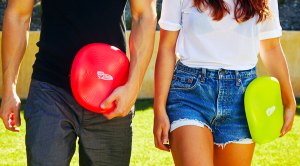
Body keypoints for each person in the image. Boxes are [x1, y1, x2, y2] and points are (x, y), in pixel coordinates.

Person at [0, 0, 156, 165]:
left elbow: (144, 15)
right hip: (50, 90)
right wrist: (9, 89)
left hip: (110, 92)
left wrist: (133, 86)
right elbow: (18, 14)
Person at [153, 0, 296, 165]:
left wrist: (289, 101)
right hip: (190, 95)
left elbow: (271, 47)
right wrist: (159, 109)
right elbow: (166, 46)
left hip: (242, 100)